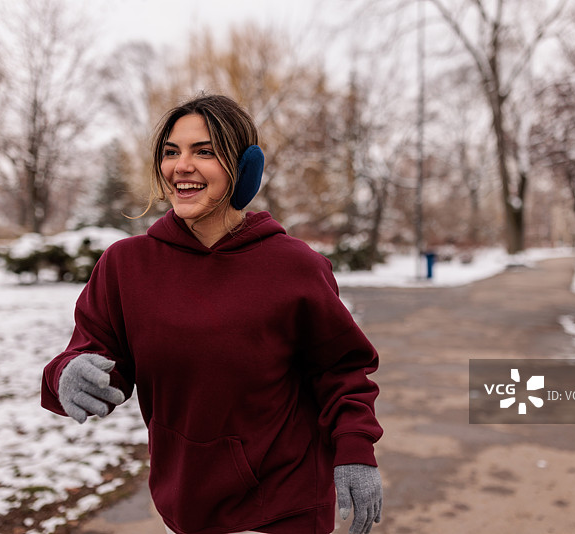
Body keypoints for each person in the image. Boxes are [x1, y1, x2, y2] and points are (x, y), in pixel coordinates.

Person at [41, 94, 383, 534]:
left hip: (284, 502)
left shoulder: (294, 266)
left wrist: (355, 450)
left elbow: (342, 370)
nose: (181, 166)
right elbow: (96, 353)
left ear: (244, 168)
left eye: (204, 151)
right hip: (185, 506)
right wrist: (68, 373)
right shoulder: (127, 265)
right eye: (171, 151)